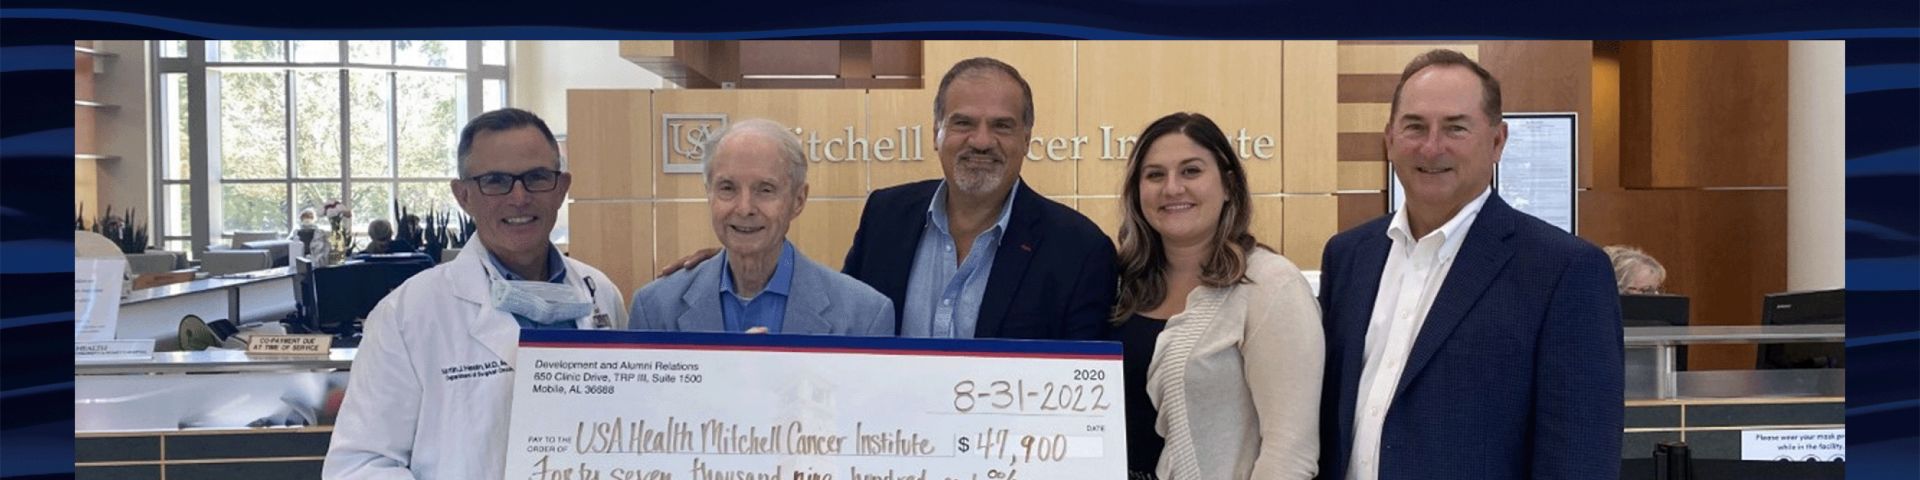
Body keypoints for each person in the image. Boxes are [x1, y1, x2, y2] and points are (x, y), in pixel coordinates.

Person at [1316, 49, 1622, 480]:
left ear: (1498, 141)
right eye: (1414, 127)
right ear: (1389, 139)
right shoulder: (1349, 256)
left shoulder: (1564, 270)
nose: (1432, 146)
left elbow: (1580, 458)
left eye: (1455, 128)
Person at [657, 57, 1116, 341]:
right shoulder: (886, 215)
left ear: (1027, 138)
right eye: (962, 123)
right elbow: (837, 313)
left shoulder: (1078, 250)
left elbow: (1084, 394)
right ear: (936, 133)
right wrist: (743, 260)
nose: (981, 140)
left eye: (1002, 125)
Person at [324, 108, 628, 479]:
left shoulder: (602, 295)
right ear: (463, 194)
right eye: (496, 181)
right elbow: (359, 466)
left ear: (562, 188)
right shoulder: (407, 315)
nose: (519, 197)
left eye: (536, 177)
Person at [1111, 113, 1321, 479]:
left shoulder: (1270, 286)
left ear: (1228, 186)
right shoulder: (1118, 284)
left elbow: (1290, 455)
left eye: (1191, 171)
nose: (1172, 188)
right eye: (1155, 174)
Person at [629, 119, 894, 336]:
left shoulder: (863, 314)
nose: (744, 208)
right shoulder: (655, 309)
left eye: (765, 190)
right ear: (708, 193)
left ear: (798, 200)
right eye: (727, 188)